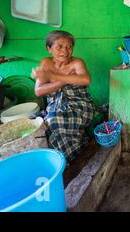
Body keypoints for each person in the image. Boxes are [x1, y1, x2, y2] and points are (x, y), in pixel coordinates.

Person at [32, 30, 96, 163]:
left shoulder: (77, 62)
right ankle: (76, 151)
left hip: (80, 104)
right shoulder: (46, 63)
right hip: (55, 105)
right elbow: (38, 91)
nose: (65, 51)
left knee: (55, 122)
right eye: (59, 47)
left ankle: (69, 160)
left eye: (69, 47)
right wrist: (67, 79)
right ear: (49, 48)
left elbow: (86, 80)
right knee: (41, 124)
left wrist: (52, 77)